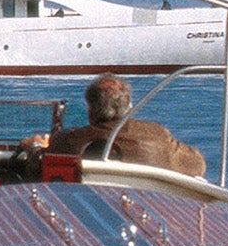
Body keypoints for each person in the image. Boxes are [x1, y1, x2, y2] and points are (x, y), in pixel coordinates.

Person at [41, 74, 206, 177]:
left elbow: (37, 167)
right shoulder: (158, 136)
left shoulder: (69, 140)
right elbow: (197, 165)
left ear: (90, 111)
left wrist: (34, 146)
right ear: (129, 108)